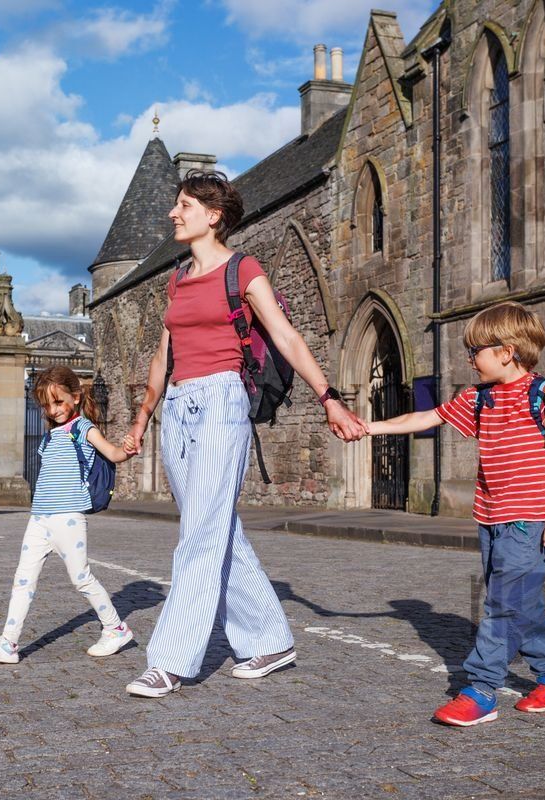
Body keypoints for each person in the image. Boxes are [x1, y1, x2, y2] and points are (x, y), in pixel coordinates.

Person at [121, 170, 367, 698]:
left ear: (213, 216)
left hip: (222, 400)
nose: (173, 214)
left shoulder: (243, 269)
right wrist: (143, 417)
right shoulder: (176, 279)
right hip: (180, 404)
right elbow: (164, 355)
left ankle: (169, 660)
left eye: (183, 205)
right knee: (212, 527)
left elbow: (287, 336)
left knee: (199, 535)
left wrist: (330, 400)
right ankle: (271, 640)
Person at [366, 300, 545, 725]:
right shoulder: (478, 399)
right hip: (490, 519)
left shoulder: (543, 396)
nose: (470, 359)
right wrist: (370, 427)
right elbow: (426, 416)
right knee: (522, 603)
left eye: (476, 351)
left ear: (506, 351)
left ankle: (480, 688)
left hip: (530, 518)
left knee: (502, 604)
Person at [0, 366, 136, 664]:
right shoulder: (50, 435)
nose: (53, 410)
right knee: (23, 577)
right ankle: (8, 644)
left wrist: (128, 448)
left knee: (81, 577)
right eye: (47, 405)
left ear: (75, 396)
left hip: (67, 516)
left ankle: (115, 628)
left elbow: (112, 454)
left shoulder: (83, 428)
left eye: (58, 402)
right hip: (40, 518)